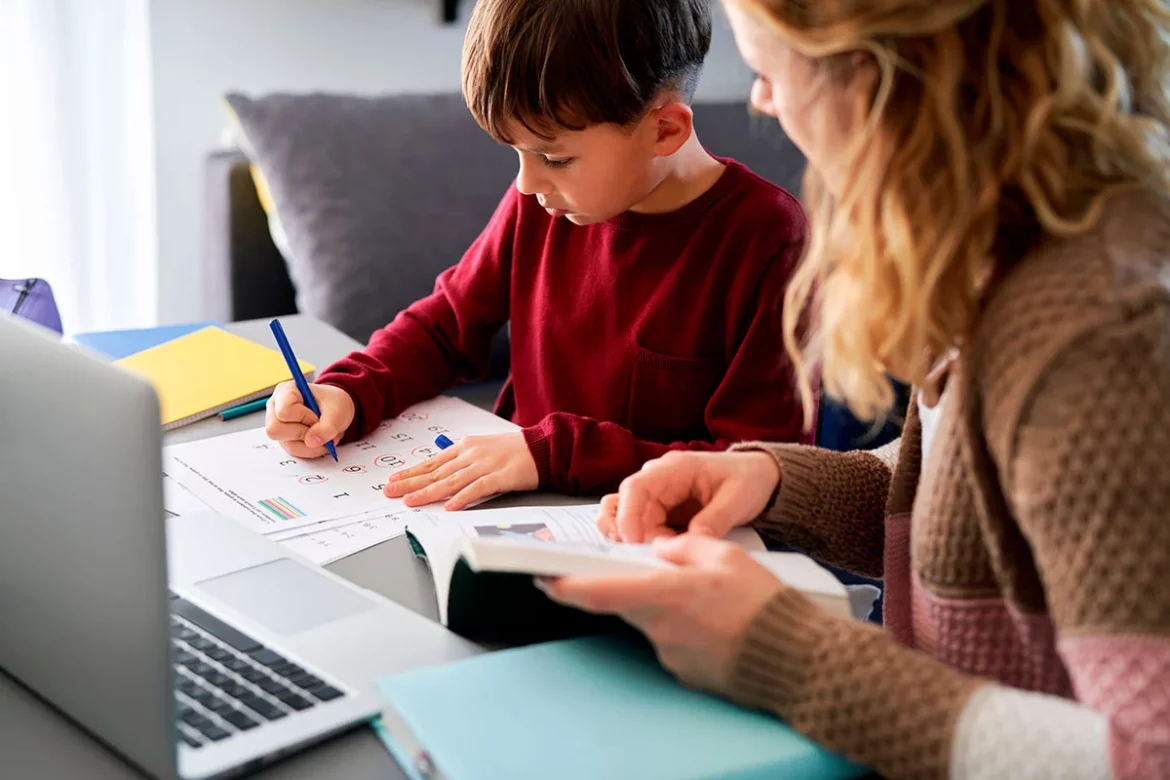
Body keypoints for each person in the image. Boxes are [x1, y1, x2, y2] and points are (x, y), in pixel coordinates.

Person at [542, 1, 1170, 777]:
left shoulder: (1095, 334)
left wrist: (787, 655)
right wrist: (772, 481)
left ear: (876, 79)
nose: (764, 102)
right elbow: (975, 501)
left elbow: (1149, 757)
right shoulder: (1005, 245)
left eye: (769, 73)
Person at [263, 0, 812, 510]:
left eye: (554, 156)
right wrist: (349, 390)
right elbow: (444, 327)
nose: (526, 183)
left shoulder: (769, 241)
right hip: (511, 517)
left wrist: (550, 453)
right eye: (517, 153)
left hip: (664, 551)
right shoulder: (545, 204)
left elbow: (759, 470)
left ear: (664, 130)